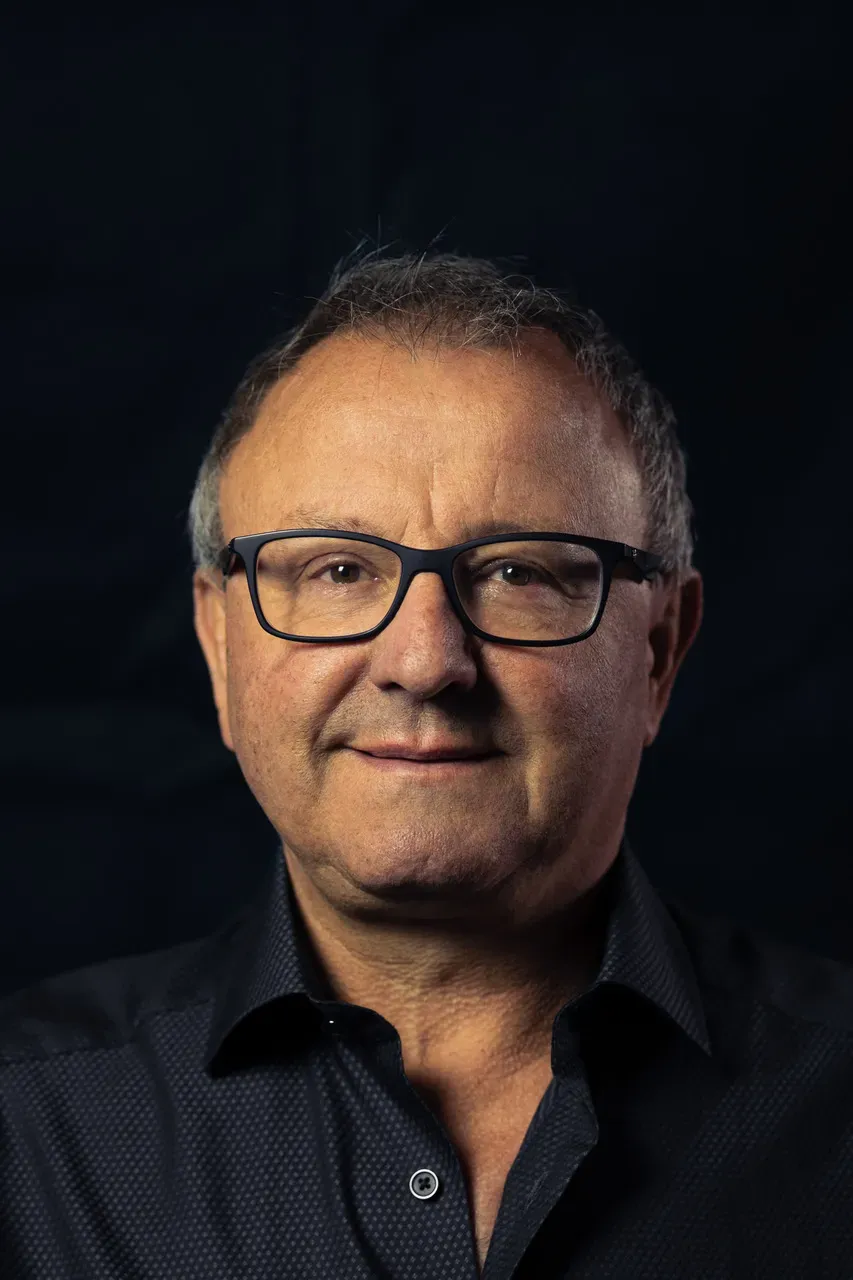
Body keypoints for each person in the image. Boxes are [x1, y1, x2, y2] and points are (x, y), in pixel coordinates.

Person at [2, 251, 852, 1280]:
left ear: (658, 651)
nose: (424, 661)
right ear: (220, 646)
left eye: (516, 572)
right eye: (338, 569)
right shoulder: (25, 1129)